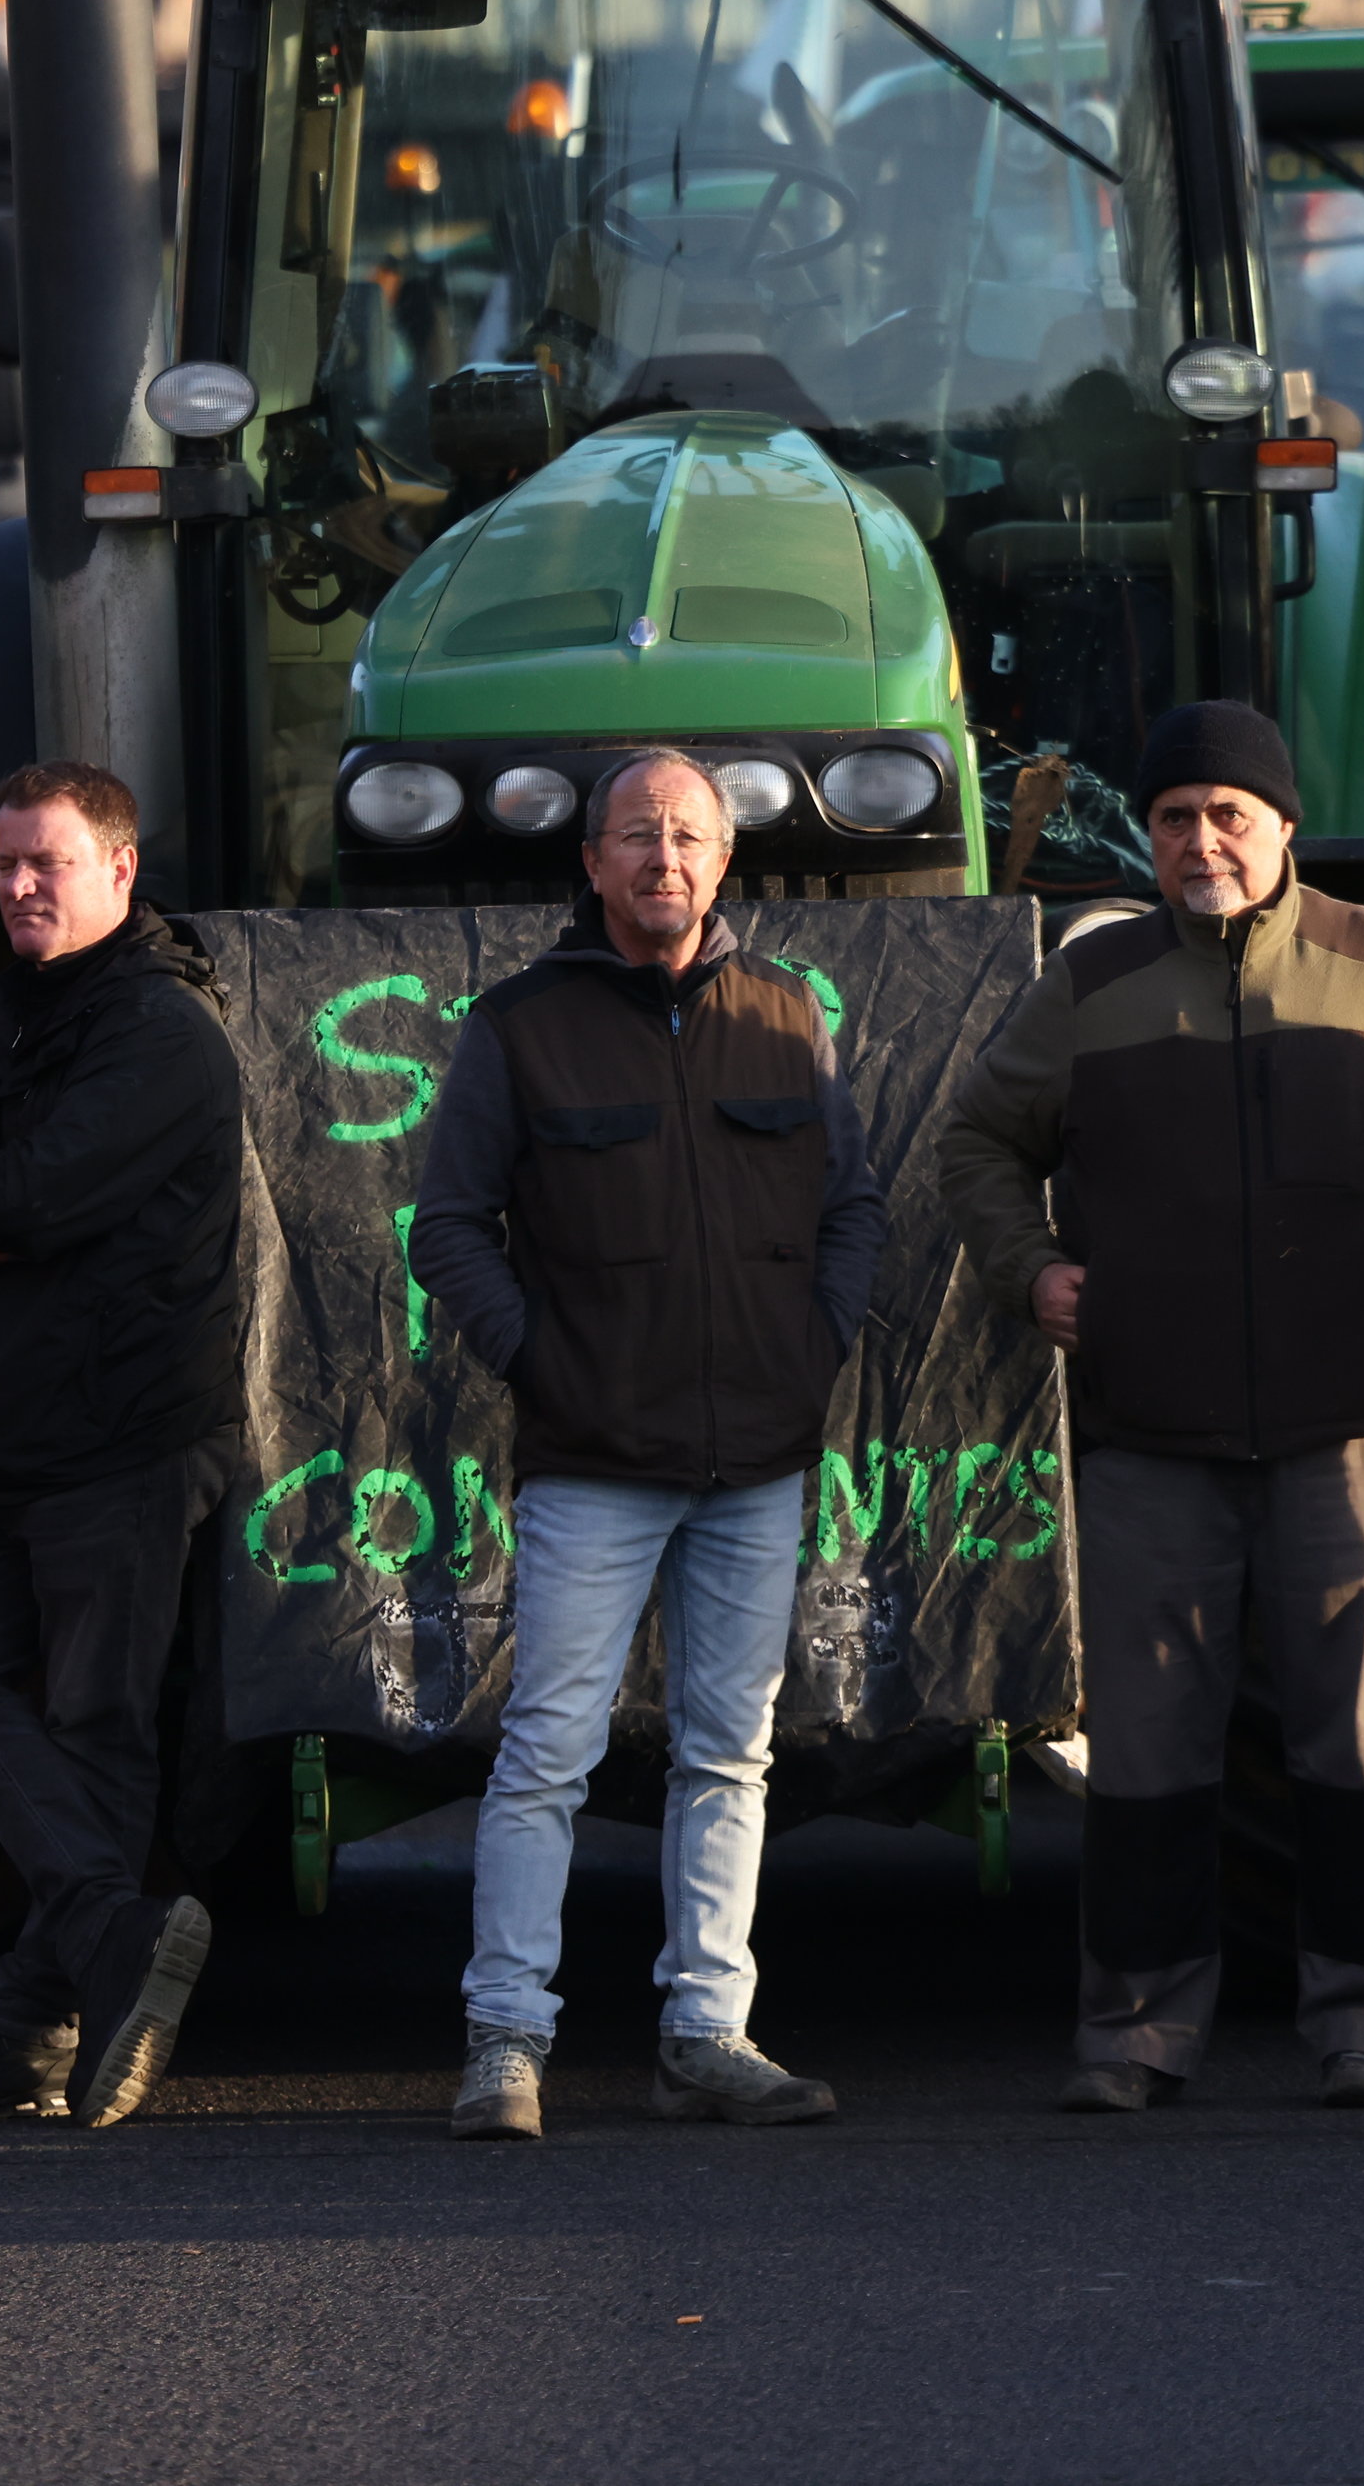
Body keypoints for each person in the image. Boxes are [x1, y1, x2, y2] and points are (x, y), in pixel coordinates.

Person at [937, 701, 1364, 2113]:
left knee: (1362, 1745)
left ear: (1286, 828)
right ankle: (1138, 2036)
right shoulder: (1093, 985)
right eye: (1176, 817)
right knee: (1152, 1757)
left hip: (1352, 1436)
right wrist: (1026, 1266)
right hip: (1150, 1439)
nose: (1202, 840)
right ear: (1150, 837)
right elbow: (979, 1140)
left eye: (1231, 813)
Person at [411, 751, 885, 2143]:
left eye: (688, 835)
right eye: (637, 837)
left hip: (759, 1459)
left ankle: (706, 2035)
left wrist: (812, 1349)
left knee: (729, 1755)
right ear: (592, 864)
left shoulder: (789, 1016)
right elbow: (449, 1229)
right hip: (591, 1463)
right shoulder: (517, 1028)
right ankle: (504, 2043)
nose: (664, 859)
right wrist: (548, 1362)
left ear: (724, 862)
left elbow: (852, 1206)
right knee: (547, 1755)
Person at [0, 763, 248, 2129]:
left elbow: (20, 1194)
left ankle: (31, 2023)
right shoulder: (6, 1014)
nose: (21, 887)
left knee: (96, 1726)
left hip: (122, 1442)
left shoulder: (160, 1035)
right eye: (9, 862)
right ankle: (106, 1938)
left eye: (51, 864)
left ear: (121, 871)